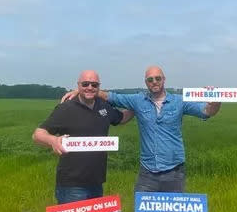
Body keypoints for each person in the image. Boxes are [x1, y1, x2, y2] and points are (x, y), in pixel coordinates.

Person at [64, 65, 221, 193]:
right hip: (147, 173)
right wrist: (82, 90)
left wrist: (215, 102)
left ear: (164, 79)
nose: (154, 82)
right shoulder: (138, 100)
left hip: (174, 171)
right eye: (150, 79)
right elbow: (111, 96)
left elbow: (206, 111)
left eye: (157, 78)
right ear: (146, 82)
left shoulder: (179, 101)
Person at [33, 70, 133, 204]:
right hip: (72, 186)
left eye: (94, 85)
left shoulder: (103, 106)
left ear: (99, 87)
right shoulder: (66, 108)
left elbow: (121, 118)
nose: (90, 88)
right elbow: (38, 134)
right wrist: (54, 140)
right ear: (78, 85)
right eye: (85, 84)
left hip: (96, 182)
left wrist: (137, 107)